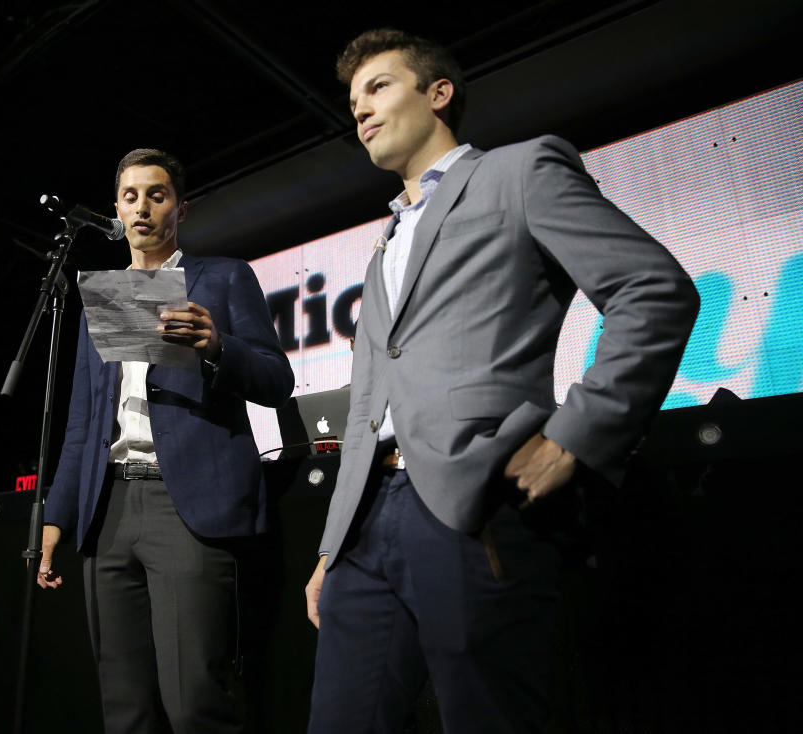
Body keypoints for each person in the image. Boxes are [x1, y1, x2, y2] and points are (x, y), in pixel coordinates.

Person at [304, 29, 699, 733]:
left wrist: (572, 437)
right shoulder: (387, 239)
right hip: (367, 527)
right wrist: (333, 546)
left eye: (380, 87)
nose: (359, 110)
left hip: (471, 502)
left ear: (438, 94)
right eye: (353, 98)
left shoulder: (520, 171)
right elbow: (370, 396)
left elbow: (653, 289)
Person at [38, 148, 294, 734]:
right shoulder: (100, 296)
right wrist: (57, 518)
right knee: (124, 708)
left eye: (157, 195)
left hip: (187, 508)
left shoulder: (223, 277)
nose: (143, 207)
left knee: (194, 702)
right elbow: (82, 422)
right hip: (106, 510)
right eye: (130, 197)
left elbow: (278, 381)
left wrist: (217, 346)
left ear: (181, 207)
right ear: (117, 210)